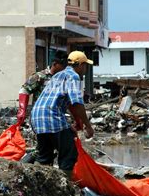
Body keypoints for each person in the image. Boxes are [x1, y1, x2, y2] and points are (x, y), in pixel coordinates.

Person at [30, 51, 94, 179]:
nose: (86, 69)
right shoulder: (74, 76)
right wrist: (88, 125)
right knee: (69, 153)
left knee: (44, 155)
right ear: (80, 65)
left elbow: (68, 103)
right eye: (85, 65)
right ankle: (65, 186)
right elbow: (77, 103)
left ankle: (39, 184)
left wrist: (74, 123)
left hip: (37, 117)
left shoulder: (57, 75)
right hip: (51, 116)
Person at [16, 50, 68, 126]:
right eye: (63, 66)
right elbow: (24, 90)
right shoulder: (40, 76)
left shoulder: (63, 78)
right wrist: (22, 110)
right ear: (55, 64)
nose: (64, 68)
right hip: (40, 117)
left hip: (56, 117)